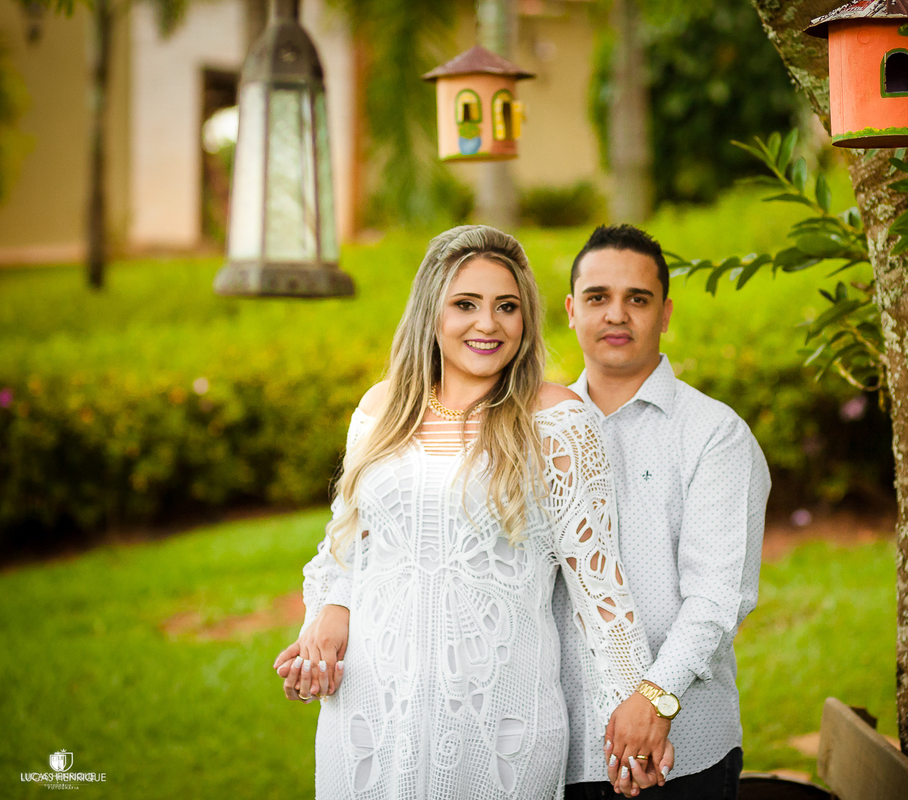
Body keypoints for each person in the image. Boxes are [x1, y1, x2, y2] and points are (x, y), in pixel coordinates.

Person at [271, 225, 673, 799]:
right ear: (431, 313)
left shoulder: (557, 420)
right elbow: (346, 547)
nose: (488, 324)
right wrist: (328, 618)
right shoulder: (381, 407)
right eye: (466, 304)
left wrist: (642, 706)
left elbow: (601, 593)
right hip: (370, 714)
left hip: (500, 724)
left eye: (506, 307)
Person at [559, 225, 770, 799]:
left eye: (638, 299)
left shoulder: (715, 435)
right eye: (598, 298)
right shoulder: (537, 431)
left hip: (684, 754)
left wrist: (653, 700)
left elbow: (719, 596)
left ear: (666, 313)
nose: (616, 314)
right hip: (559, 752)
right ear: (572, 311)